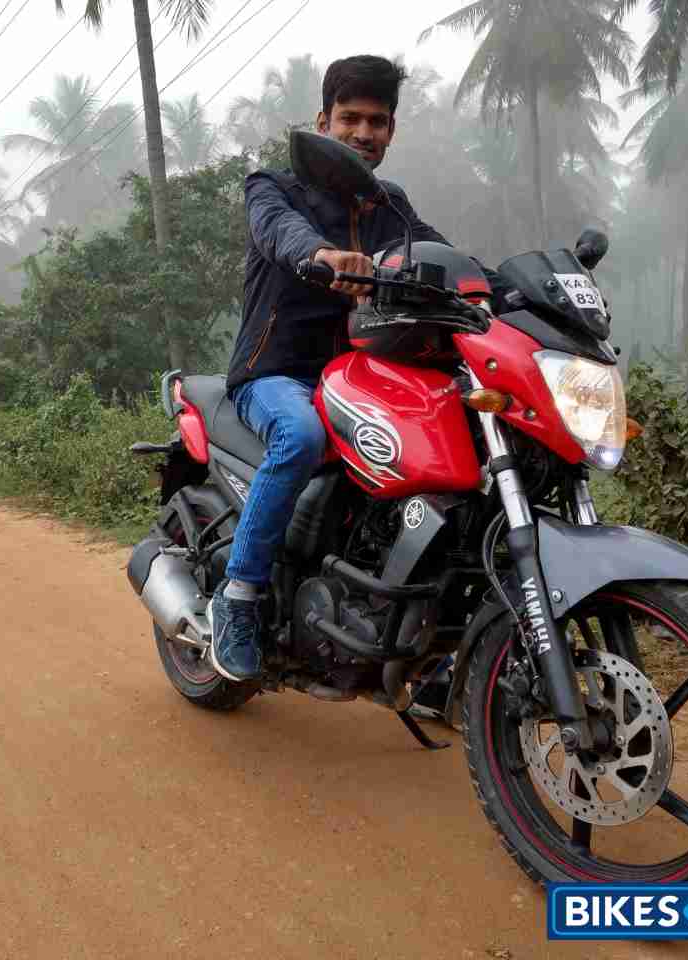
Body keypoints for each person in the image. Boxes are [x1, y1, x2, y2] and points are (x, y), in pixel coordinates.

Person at [206, 55, 460, 683]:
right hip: (276, 374)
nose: (363, 133)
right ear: (323, 121)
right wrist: (324, 255)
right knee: (302, 435)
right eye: (350, 118)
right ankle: (237, 597)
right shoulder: (273, 185)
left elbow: (441, 254)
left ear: (392, 131)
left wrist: (511, 289)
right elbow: (280, 234)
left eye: (377, 121)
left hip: (362, 379)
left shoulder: (388, 205)